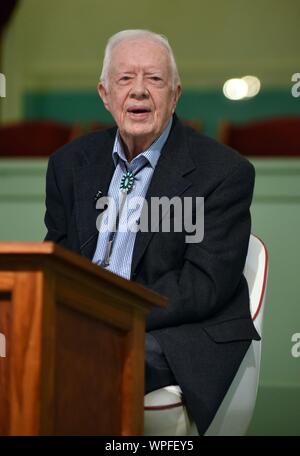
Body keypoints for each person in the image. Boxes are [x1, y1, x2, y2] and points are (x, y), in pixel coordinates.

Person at [44, 29, 260, 435]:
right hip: (85, 320)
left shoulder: (223, 172)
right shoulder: (68, 164)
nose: (139, 91)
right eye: (125, 79)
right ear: (105, 94)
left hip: (176, 330)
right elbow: (59, 256)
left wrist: (114, 314)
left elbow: (203, 285)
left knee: (90, 355)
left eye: (154, 79)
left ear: (175, 95)